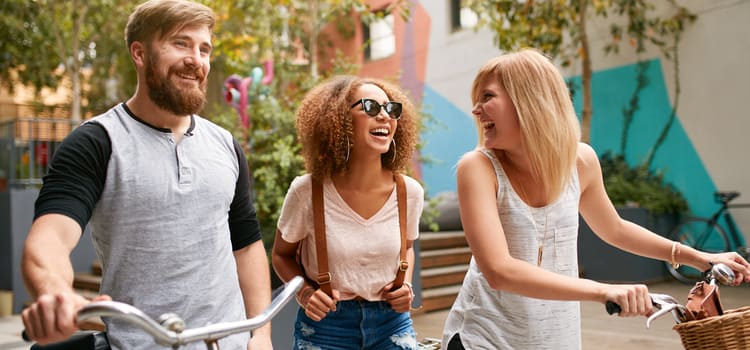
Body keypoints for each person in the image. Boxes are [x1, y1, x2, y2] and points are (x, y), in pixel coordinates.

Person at [441, 48, 750, 350]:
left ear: (528, 99)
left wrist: (698, 257)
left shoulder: (580, 161)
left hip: (556, 338)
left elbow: (613, 228)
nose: (475, 109)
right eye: (476, 99)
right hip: (484, 338)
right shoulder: (479, 168)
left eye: (487, 96)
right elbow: (499, 270)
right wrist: (604, 291)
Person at [20, 1, 273, 349]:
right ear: (139, 53)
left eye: (204, 49)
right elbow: (50, 239)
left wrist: (261, 334)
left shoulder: (226, 145)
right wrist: (56, 294)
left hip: (226, 344)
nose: (196, 59)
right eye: (181, 44)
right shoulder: (97, 142)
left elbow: (245, 247)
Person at [271, 75, 424, 349]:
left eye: (391, 109)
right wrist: (305, 293)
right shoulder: (307, 192)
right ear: (339, 120)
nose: (385, 117)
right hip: (326, 326)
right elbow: (281, 256)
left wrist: (406, 286)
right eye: (371, 107)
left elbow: (408, 248)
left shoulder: (409, 192)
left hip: (393, 323)